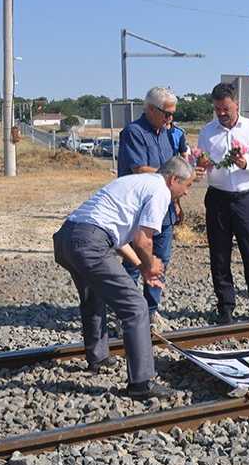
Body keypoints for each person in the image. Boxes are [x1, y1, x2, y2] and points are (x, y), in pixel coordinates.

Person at [53, 156, 194, 400]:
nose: (186, 192)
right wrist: (151, 266)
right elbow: (143, 239)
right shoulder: (161, 191)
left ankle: (98, 358)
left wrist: (142, 267)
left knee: (94, 297)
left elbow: (119, 240)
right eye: (187, 186)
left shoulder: (137, 182)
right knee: (136, 307)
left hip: (67, 238)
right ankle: (141, 383)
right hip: (90, 242)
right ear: (174, 180)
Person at [198, 82, 249, 324]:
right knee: (219, 256)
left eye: (225, 109)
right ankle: (226, 308)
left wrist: (246, 164)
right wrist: (200, 164)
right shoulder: (207, 131)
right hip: (217, 198)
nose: (221, 114)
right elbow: (199, 161)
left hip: (246, 199)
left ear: (236, 105)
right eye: (217, 109)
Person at [115, 86, 183, 330]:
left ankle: (151, 310)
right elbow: (140, 169)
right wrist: (173, 178)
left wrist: (176, 201)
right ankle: (127, 313)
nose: (170, 119)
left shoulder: (165, 133)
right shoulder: (133, 133)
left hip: (163, 210)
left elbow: (171, 174)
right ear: (151, 110)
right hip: (140, 212)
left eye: (173, 114)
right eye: (167, 114)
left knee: (161, 260)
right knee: (136, 262)